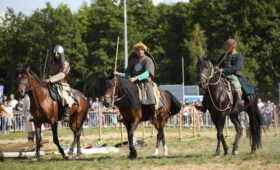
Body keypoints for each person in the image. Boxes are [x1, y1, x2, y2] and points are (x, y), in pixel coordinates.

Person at [196, 38, 250, 114]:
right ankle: (204, 105)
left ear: (232, 47)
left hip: (233, 74)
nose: (226, 48)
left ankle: (238, 101)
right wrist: (216, 67)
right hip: (221, 74)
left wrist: (223, 70)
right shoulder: (223, 56)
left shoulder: (239, 56)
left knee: (236, 83)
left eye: (227, 46)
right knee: (209, 83)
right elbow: (218, 64)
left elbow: (236, 67)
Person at [114, 42, 159, 124]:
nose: (139, 51)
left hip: (145, 83)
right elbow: (128, 73)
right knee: (123, 96)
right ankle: (125, 115)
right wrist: (119, 74)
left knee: (150, 96)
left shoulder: (148, 60)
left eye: (141, 50)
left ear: (144, 50)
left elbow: (148, 73)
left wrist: (136, 77)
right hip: (133, 83)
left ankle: (152, 116)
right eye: (138, 50)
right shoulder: (133, 61)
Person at [43, 45, 74, 122]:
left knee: (63, 96)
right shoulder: (52, 64)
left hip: (61, 85)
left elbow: (62, 75)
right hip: (49, 84)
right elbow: (47, 72)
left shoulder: (65, 63)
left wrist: (50, 79)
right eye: (55, 53)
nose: (56, 55)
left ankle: (66, 114)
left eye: (58, 53)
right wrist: (44, 77)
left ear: (61, 54)